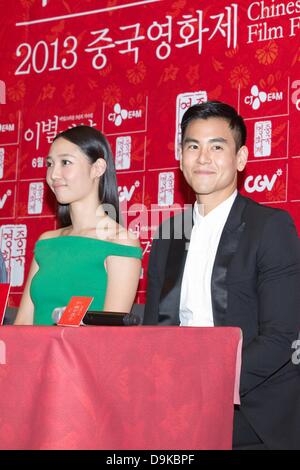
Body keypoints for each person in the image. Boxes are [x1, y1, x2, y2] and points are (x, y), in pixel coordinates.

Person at [143, 101, 300, 450]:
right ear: (181, 158)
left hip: (251, 412)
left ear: (240, 158)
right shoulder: (168, 234)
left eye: (217, 146)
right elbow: (154, 331)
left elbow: (281, 337)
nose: (203, 158)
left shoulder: (270, 227)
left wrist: (208, 388)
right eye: (192, 146)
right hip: (175, 406)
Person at [14, 125, 142, 325]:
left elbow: (112, 335)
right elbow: (22, 324)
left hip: (86, 355)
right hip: (33, 354)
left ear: (97, 168)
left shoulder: (121, 242)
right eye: (50, 164)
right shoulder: (46, 242)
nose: (54, 174)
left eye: (66, 162)